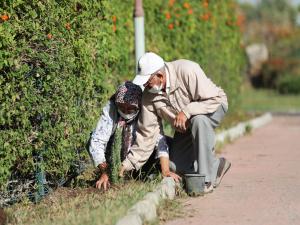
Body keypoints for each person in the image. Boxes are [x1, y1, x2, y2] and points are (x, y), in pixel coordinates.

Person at [120, 52, 231, 193]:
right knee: (174, 165)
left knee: (198, 120)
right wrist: (128, 164)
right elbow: (147, 134)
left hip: (213, 108)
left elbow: (214, 99)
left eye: (148, 81)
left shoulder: (187, 70)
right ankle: (216, 165)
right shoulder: (148, 96)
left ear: (160, 75)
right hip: (185, 127)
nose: (145, 85)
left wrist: (187, 111)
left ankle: (205, 180)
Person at [89, 81, 170, 191]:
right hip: (112, 160)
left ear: (139, 105)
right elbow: (97, 140)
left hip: (141, 160)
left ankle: (146, 175)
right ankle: (114, 173)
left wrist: (166, 171)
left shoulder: (147, 113)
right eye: (122, 107)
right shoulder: (111, 109)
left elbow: (159, 140)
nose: (126, 112)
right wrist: (106, 172)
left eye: (130, 108)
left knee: (168, 144)